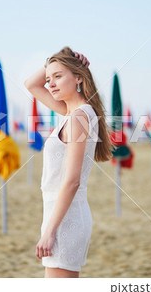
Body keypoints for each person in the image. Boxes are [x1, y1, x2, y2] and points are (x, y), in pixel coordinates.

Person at [24, 47, 114, 278]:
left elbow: (72, 181)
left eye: (58, 76)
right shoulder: (71, 112)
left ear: (79, 78)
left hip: (66, 218)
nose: (50, 83)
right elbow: (31, 84)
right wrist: (59, 59)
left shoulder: (79, 117)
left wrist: (50, 232)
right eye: (48, 78)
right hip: (59, 212)